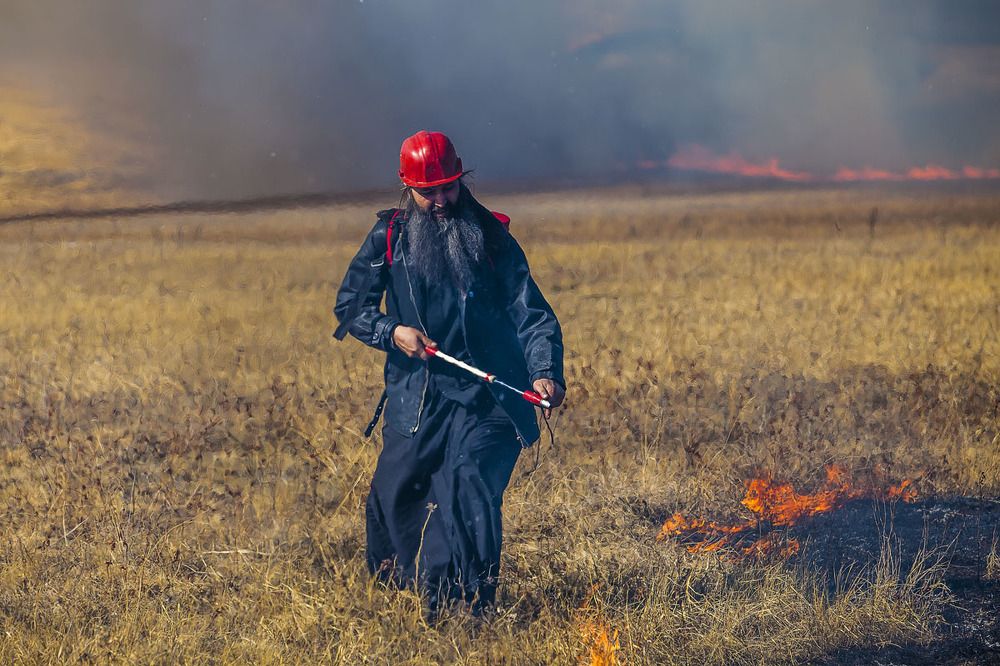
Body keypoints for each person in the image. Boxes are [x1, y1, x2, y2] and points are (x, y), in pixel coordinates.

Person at [333, 130, 565, 615]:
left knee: (467, 486)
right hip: (417, 396)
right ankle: (397, 600)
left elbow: (533, 315)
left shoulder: (494, 238)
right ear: (407, 186)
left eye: (448, 187)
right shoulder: (389, 236)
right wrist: (391, 331)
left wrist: (544, 373)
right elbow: (350, 306)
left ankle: (462, 611)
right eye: (428, 191)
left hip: (491, 398)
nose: (440, 200)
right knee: (396, 497)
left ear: (461, 179)